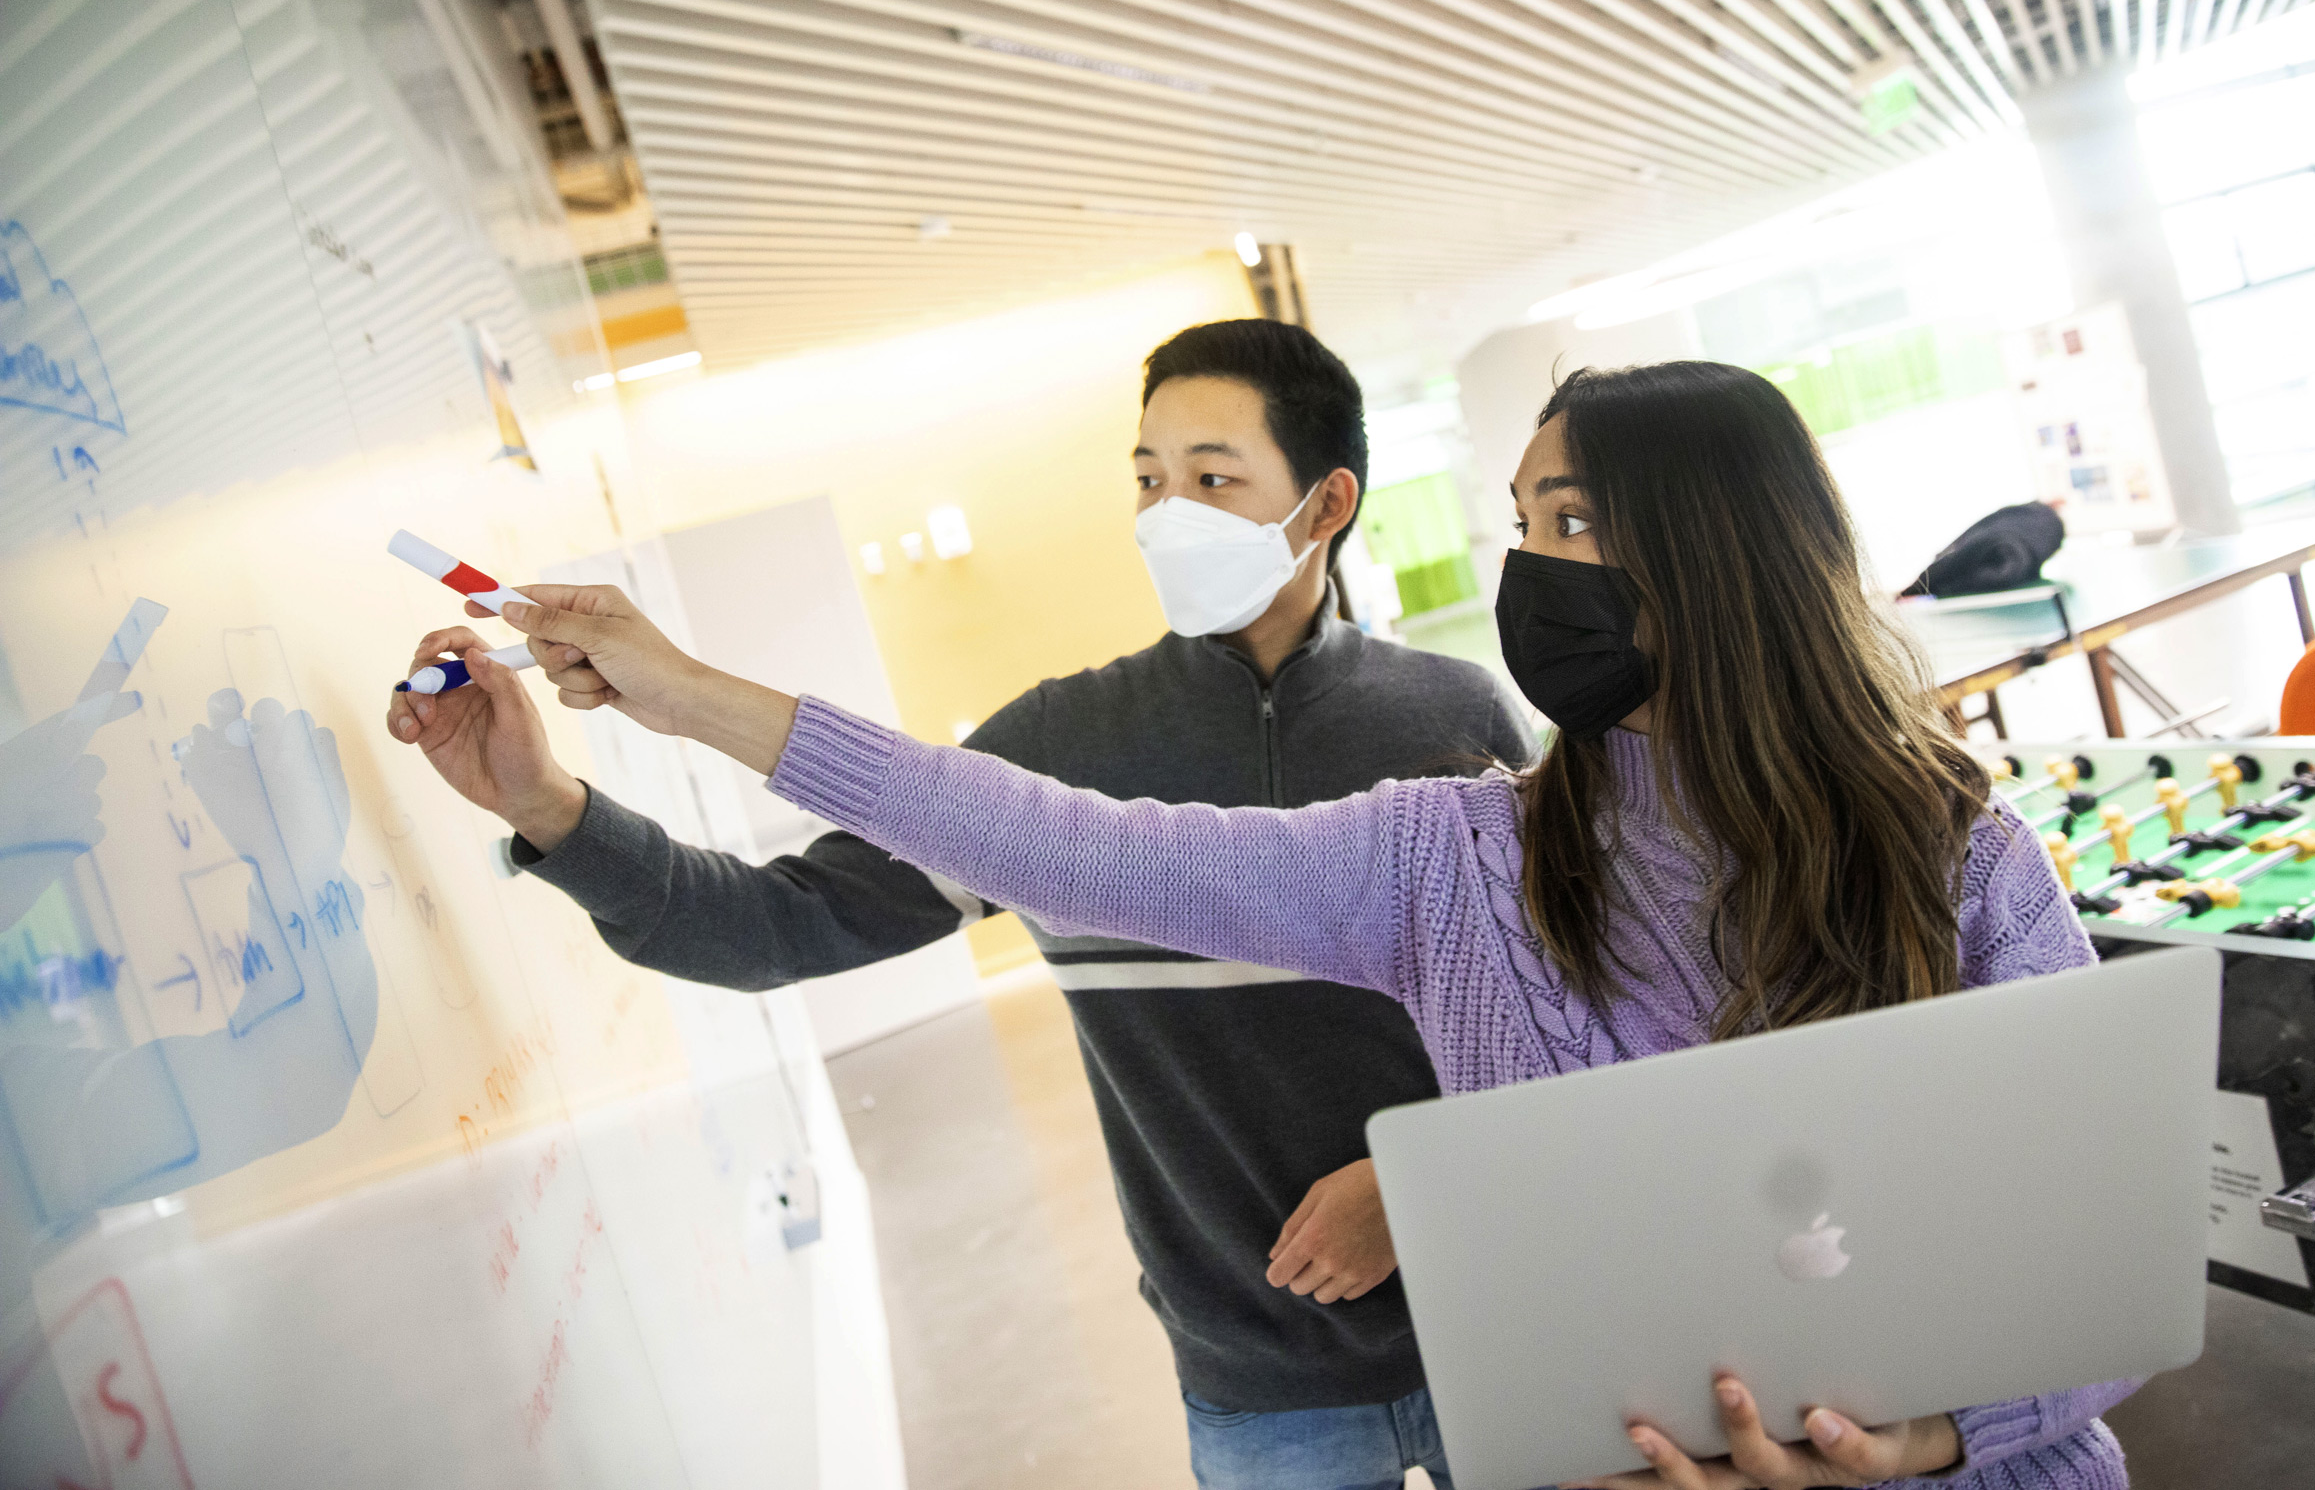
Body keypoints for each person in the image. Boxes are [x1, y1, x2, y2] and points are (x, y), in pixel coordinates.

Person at [394, 359, 2140, 1490]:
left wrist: (1918, 1441)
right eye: (1526, 521)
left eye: (1578, 522)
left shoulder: (1959, 858)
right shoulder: (1451, 853)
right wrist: (692, 700)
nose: (1539, 567)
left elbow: (2095, 1266)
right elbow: (1057, 844)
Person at [394, 319, 1529, 1490]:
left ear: (1328, 500)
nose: (1164, 511)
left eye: (1211, 476)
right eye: (1146, 477)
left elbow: (1575, 1014)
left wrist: (1417, 1174)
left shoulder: (1451, 721)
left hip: (1502, 1318)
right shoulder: (1055, 747)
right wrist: (548, 806)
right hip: (1259, 1387)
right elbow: (780, 922)